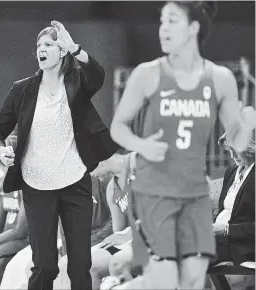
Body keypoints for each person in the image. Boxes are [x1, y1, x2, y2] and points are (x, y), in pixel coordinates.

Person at [110, 1, 256, 289]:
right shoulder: (146, 74)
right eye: (161, 20)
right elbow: (118, 126)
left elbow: (235, 139)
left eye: (172, 21)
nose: (163, 28)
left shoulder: (221, 78)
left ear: (194, 28)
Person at [0, 20, 119, 290]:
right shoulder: (22, 89)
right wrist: (0, 150)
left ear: (61, 52)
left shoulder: (77, 83)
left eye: (49, 44)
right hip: (37, 186)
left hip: (75, 183)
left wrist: (75, 47)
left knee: (80, 265)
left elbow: (98, 75)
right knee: (44, 266)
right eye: (39, 45)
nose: (42, 49)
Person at [0, 172, 113, 290]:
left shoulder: (100, 177)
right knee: (34, 268)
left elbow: (113, 222)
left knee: (66, 266)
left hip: (99, 240)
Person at [213, 130, 255, 265]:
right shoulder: (231, 171)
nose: (232, 155)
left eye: (236, 150)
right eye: (229, 150)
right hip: (219, 239)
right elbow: (222, 212)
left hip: (243, 245)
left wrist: (226, 229)